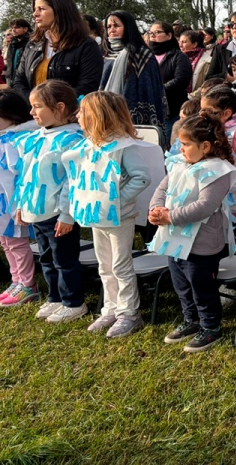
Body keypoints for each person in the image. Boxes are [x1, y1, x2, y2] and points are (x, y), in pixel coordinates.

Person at [148, 112, 236, 352]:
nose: (181, 149)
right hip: (174, 240)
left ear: (206, 146)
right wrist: (156, 209)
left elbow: (205, 206)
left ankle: (211, 326)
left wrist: (170, 216)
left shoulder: (218, 170)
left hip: (202, 244)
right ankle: (191, 320)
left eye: (186, 144)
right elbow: (163, 188)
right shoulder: (181, 164)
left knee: (202, 287)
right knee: (181, 284)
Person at [65, 92, 152, 338]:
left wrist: (116, 200)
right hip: (97, 216)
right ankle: (111, 308)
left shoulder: (123, 145)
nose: (78, 115)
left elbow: (141, 177)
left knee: (120, 265)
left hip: (119, 217)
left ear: (99, 115)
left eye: (83, 111)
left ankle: (129, 313)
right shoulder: (89, 144)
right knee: (104, 265)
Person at [15, 80, 86, 323]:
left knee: (64, 259)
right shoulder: (37, 137)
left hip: (57, 214)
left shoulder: (73, 139)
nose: (31, 112)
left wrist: (67, 215)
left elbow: (72, 181)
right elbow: (26, 175)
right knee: (46, 257)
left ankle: (73, 302)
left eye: (37, 107)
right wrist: (22, 204)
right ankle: (55, 297)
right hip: (38, 210)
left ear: (60, 107)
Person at [14, 0, 103, 99]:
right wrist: (34, 103)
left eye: (41, 9)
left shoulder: (86, 46)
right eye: (35, 9)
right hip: (32, 109)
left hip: (68, 109)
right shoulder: (33, 45)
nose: (35, 14)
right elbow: (19, 81)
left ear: (60, 11)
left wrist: (51, 105)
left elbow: (87, 86)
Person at [0, 90, 39, 306]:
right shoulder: (3, 137)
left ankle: (28, 284)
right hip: (2, 201)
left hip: (14, 202)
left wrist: (21, 203)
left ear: (12, 117)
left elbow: (21, 174)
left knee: (17, 242)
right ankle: (16, 281)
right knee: (6, 242)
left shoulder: (19, 140)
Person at [150, 21, 192, 142]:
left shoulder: (179, 57)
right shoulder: (147, 56)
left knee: (167, 145)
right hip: (151, 110)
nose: (152, 35)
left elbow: (181, 80)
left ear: (169, 35)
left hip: (171, 110)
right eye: (151, 32)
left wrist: (158, 90)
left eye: (157, 32)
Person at [4, 19, 31, 86]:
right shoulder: (12, 44)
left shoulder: (31, 44)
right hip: (12, 81)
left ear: (25, 29)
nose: (13, 30)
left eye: (16, 27)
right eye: (12, 28)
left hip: (25, 82)